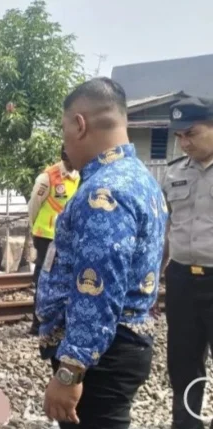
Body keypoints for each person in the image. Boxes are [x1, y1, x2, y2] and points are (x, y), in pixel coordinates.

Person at [36, 77, 167, 428]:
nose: (65, 144)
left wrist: (70, 371)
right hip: (118, 346)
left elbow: (97, 286)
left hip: (100, 358)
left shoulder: (104, 192)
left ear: (79, 124)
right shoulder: (140, 178)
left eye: (64, 131)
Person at [161, 96, 213, 429]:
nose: (184, 142)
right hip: (182, 279)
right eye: (179, 136)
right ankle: (187, 424)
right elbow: (166, 228)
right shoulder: (173, 173)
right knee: (182, 363)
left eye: (191, 133)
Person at [27, 146, 79, 335]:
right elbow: (34, 205)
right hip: (47, 236)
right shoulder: (47, 177)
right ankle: (37, 324)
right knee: (43, 279)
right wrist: (35, 228)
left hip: (67, 237)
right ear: (67, 156)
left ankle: (57, 322)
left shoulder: (78, 176)